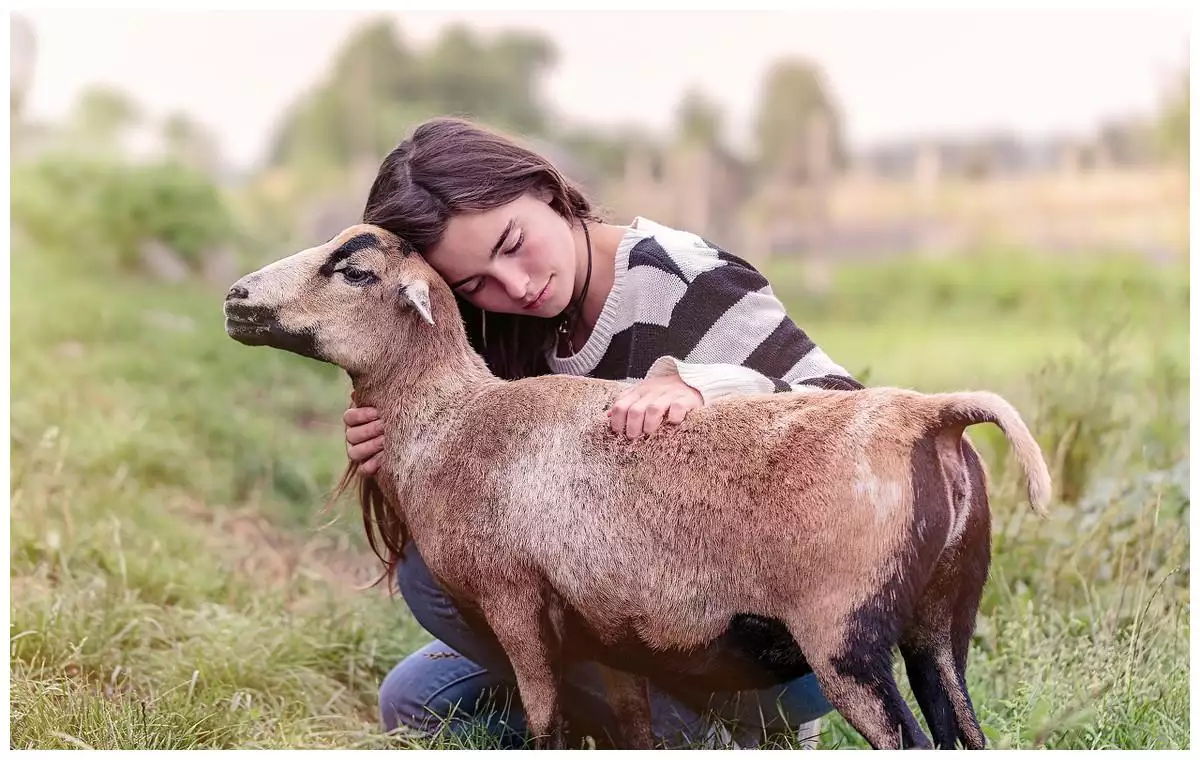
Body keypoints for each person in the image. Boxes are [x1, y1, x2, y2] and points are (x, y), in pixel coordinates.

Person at [344, 116, 864, 749]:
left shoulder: (684, 280)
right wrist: (405, 450)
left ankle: (713, 739)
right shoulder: (497, 331)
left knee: (435, 585)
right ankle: (661, 730)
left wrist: (706, 386)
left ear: (544, 187)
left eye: (512, 243)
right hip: (621, 621)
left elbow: (851, 415)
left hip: (765, 640)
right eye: (474, 283)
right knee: (417, 698)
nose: (517, 286)